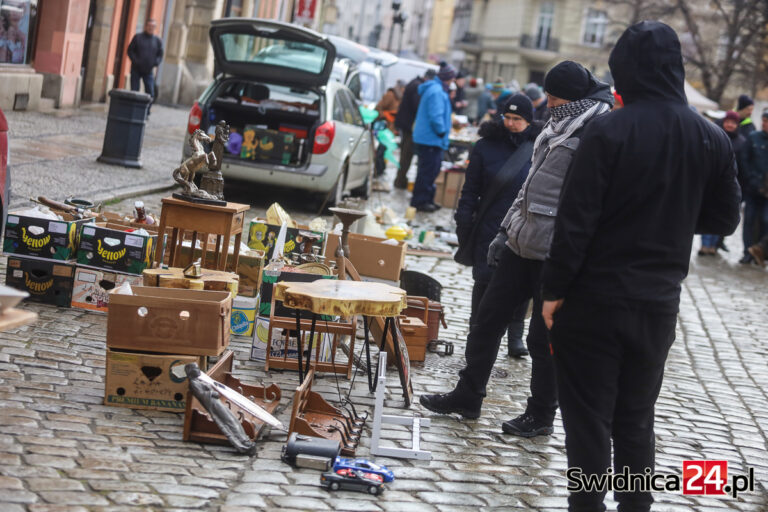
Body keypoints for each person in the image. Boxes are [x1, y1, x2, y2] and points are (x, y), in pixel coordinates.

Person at [539, 22, 740, 512]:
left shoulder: (608, 128)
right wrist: (669, 217)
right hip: (657, 301)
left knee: (587, 419)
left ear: (622, 69)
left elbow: (576, 220)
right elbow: (724, 219)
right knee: (635, 418)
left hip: (593, 297)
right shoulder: (711, 136)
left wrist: (552, 292)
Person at [420, 61, 613, 439]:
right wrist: (504, 230)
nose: (550, 104)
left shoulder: (595, 130)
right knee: (486, 320)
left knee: (544, 340)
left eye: (555, 98)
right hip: (519, 241)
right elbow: (529, 188)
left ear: (572, 97)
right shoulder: (554, 126)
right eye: (550, 97)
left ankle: (540, 415)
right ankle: (467, 395)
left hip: (554, 252)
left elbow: (590, 202)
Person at [454, 94, 540, 359]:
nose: (511, 123)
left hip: (523, 226)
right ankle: (475, 333)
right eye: (508, 118)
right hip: (488, 226)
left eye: (518, 119)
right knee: (484, 281)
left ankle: (515, 337)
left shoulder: (539, 147)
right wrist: (463, 222)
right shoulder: (484, 147)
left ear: (529, 120)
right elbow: (469, 191)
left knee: (520, 284)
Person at [410, 64, 456, 212]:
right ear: (448, 78)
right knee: (428, 171)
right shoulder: (437, 91)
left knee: (430, 170)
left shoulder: (436, 89)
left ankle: (427, 199)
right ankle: (421, 201)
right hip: (431, 138)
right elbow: (435, 115)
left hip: (430, 138)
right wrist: (442, 132)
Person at [700, 110, 746, 255]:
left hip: (730, 183)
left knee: (720, 215)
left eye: (733, 123)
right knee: (706, 212)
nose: (730, 125)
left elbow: (743, 165)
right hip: (711, 181)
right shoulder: (714, 135)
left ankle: (714, 245)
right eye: (728, 122)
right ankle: (705, 245)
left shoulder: (741, 142)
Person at [393, 69, 436, 189]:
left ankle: (400, 179)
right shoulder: (417, 86)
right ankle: (400, 181)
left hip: (407, 124)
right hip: (409, 126)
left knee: (405, 154)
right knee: (406, 155)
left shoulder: (415, 83)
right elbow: (417, 106)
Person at [740, 111, 768, 263]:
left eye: (766, 121)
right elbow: (744, 161)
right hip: (752, 188)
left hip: (767, 191)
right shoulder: (753, 138)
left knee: (765, 220)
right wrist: (751, 179)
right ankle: (748, 252)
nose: (764, 123)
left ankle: (761, 251)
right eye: (763, 120)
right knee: (749, 221)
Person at [127, 19, 164, 101]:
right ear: (146, 26)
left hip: (148, 71)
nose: (151, 28)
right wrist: (135, 61)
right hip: (136, 69)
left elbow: (160, 54)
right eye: (149, 26)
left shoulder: (157, 41)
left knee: (150, 93)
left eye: (153, 26)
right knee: (134, 92)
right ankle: (133, 110)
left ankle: (146, 111)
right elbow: (130, 50)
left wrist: (155, 63)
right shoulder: (138, 37)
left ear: (155, 28)